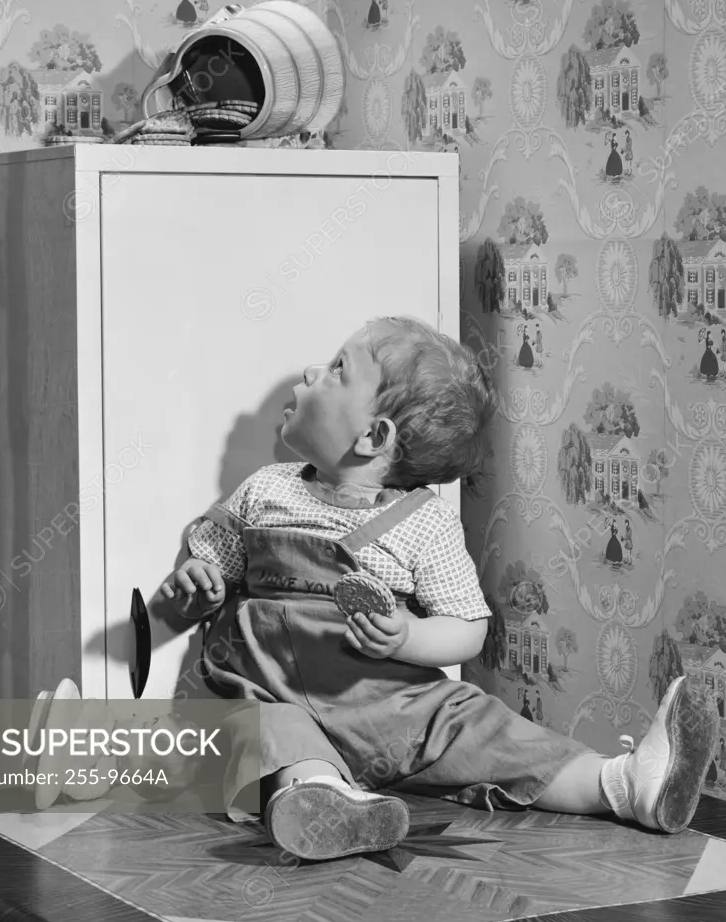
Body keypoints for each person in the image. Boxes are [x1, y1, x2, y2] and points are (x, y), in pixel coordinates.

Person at [46, 317, 719, 861]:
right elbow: (221, 545)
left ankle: (626, 786)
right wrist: (200, 572)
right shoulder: (270, 489)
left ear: (374, 436)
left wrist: (410, 635)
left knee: (484, 725)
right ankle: (319, 802)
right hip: (271, 693)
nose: (311, 373)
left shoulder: (422, 523)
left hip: (388, 708)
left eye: (336, 370)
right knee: (260, 734)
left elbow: (468, 625)